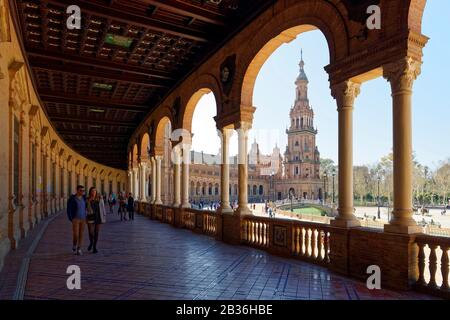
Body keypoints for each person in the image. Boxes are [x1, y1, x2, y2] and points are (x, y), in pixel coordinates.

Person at [67, 185, 87, 256]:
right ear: (77, 190)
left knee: (81, 234)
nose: (82, 192)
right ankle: (74, 245)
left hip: (83, 219)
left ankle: (79, 249)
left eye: (83, 191)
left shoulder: (84, 198)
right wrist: (71, 218)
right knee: (76, 234)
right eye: (81, 190)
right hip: (75, 219)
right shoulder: (72, 199)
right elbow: (68, 209)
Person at [86, 187, 106, 254]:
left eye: (95, 191)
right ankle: (91, 242)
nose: (93, 192)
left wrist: (104, 215)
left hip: (98, 217)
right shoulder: (87, 199)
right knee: (91, 232)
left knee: (96, 232)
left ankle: (94, 247)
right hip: (90, 217)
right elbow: (85, 208)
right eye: (92, 191)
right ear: (90, 192)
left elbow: (103, 207)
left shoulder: (99, 199)